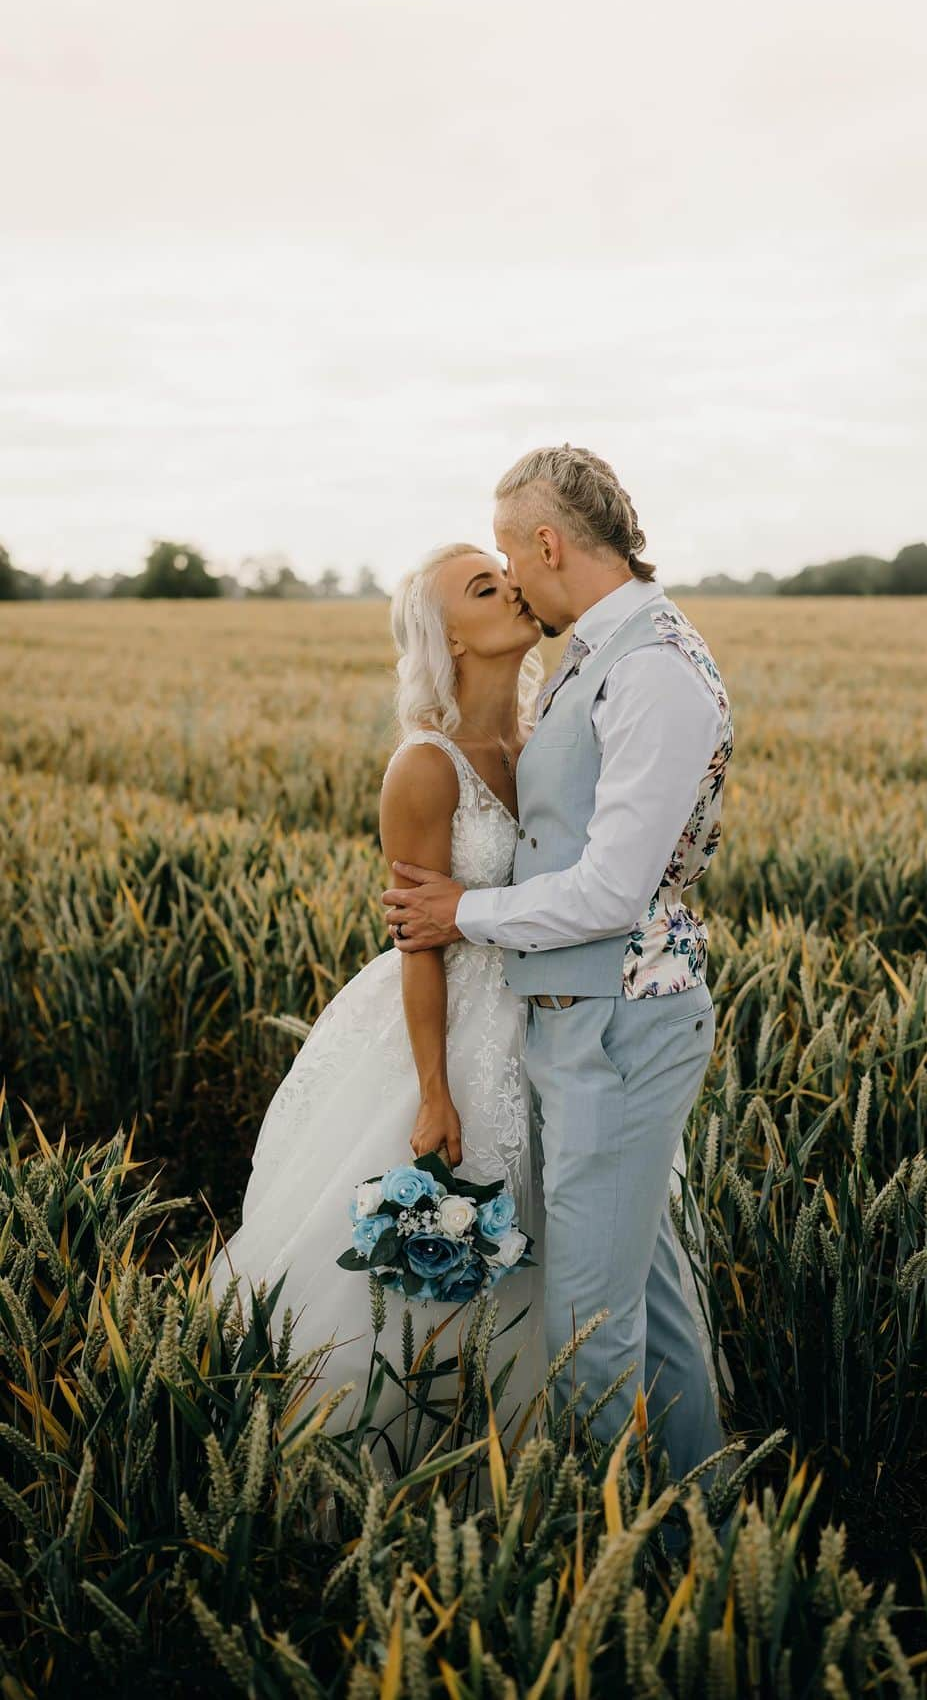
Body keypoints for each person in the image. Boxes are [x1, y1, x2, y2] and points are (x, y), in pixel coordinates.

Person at [382, 445, 735, 1501]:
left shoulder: (655, 667)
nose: (509, 576)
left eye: (506, 555)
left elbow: (613, 889)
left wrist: (464, 911)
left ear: (546, 544)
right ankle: (697, 1522)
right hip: (576, 1017)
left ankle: (608, 1560)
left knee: (587, 1320)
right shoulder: (598, 653)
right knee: (650, 1300)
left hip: (620, 1021)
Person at [208, 542, 552, 1478]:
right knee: (451, 1236)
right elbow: (419, 940)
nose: (514, 587)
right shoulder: (426, 767)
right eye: (486, 587)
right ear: (449, 639)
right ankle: (401, 1458)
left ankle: (543, 1456)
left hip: (557, 1019)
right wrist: (435, 1093)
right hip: (456, 1023)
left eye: (507, 573)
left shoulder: (548, 740)